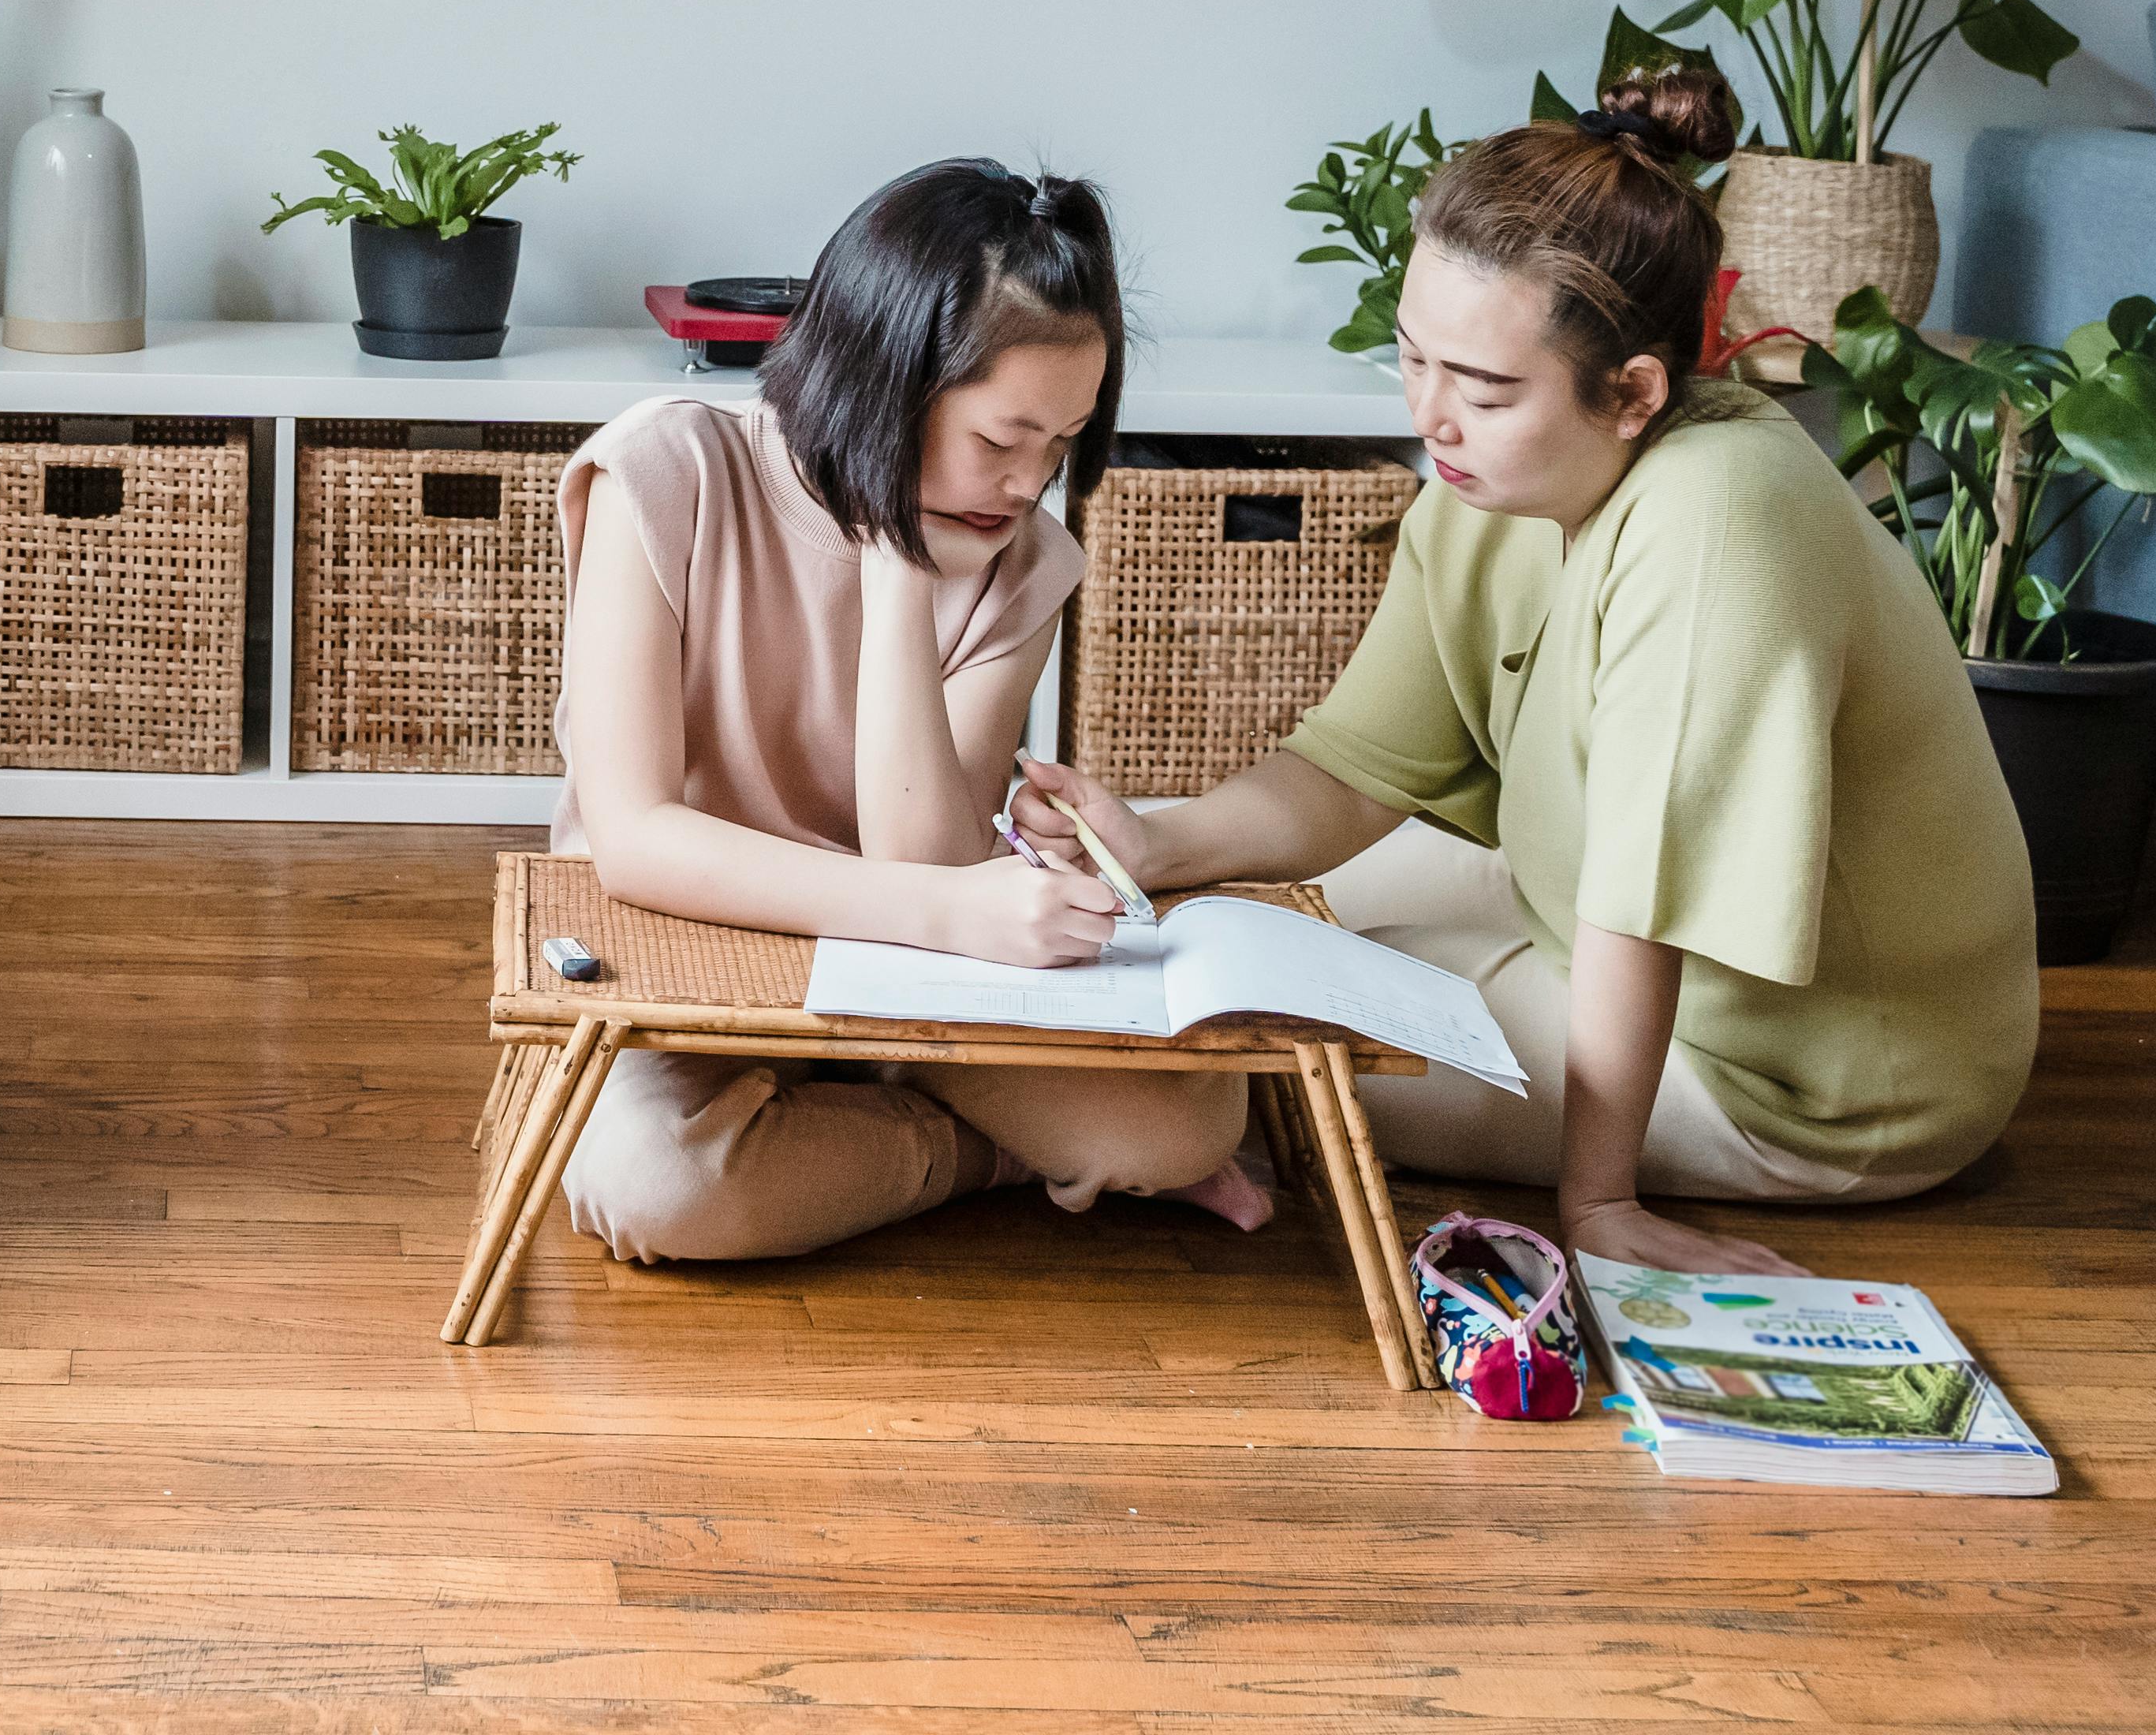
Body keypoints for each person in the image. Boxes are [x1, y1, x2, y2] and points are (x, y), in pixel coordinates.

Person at [1015, 62, 2040, 1278]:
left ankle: (1041, 1136)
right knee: (1189, 909)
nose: (1433, 416)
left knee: (1245, 1025)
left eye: (1487, 389)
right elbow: (1353, 772)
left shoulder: (1715, 520)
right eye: (1415, 362)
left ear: (1636, 395)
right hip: (1578, 899)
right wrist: (1159, 845)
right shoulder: (1490, 476)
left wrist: (1599, 1208)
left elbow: (1642, 897)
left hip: (1798, 1072)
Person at [549, 160, 1267, 1266]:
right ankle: (988, 1160)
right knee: (662, 1184)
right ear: (883, 380)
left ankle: (853, 1132)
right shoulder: (661, 471)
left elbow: (927, 854)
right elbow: (638, 840)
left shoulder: (1022, 563)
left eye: (1062, 446)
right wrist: (944, 919)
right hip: (696, 948)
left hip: (906, 968)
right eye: (998, 440)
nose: (1028, 485)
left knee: (1186, 1122)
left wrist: (898, 580)